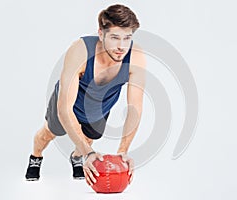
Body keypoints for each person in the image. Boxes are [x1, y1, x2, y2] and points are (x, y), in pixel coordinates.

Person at [25, 4, 146, 186]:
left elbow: (135, 108)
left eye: (127, 38)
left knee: (89, 138)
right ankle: (36, 157)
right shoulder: (80, 51)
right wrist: (89, 153)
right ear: (101, 34)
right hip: (69, 104)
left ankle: (76, 157)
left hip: (99, 107)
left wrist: (123, 151)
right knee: (48, 134)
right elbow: (64, 109)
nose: (121, 46)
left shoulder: (135, 57)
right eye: (114, 38)